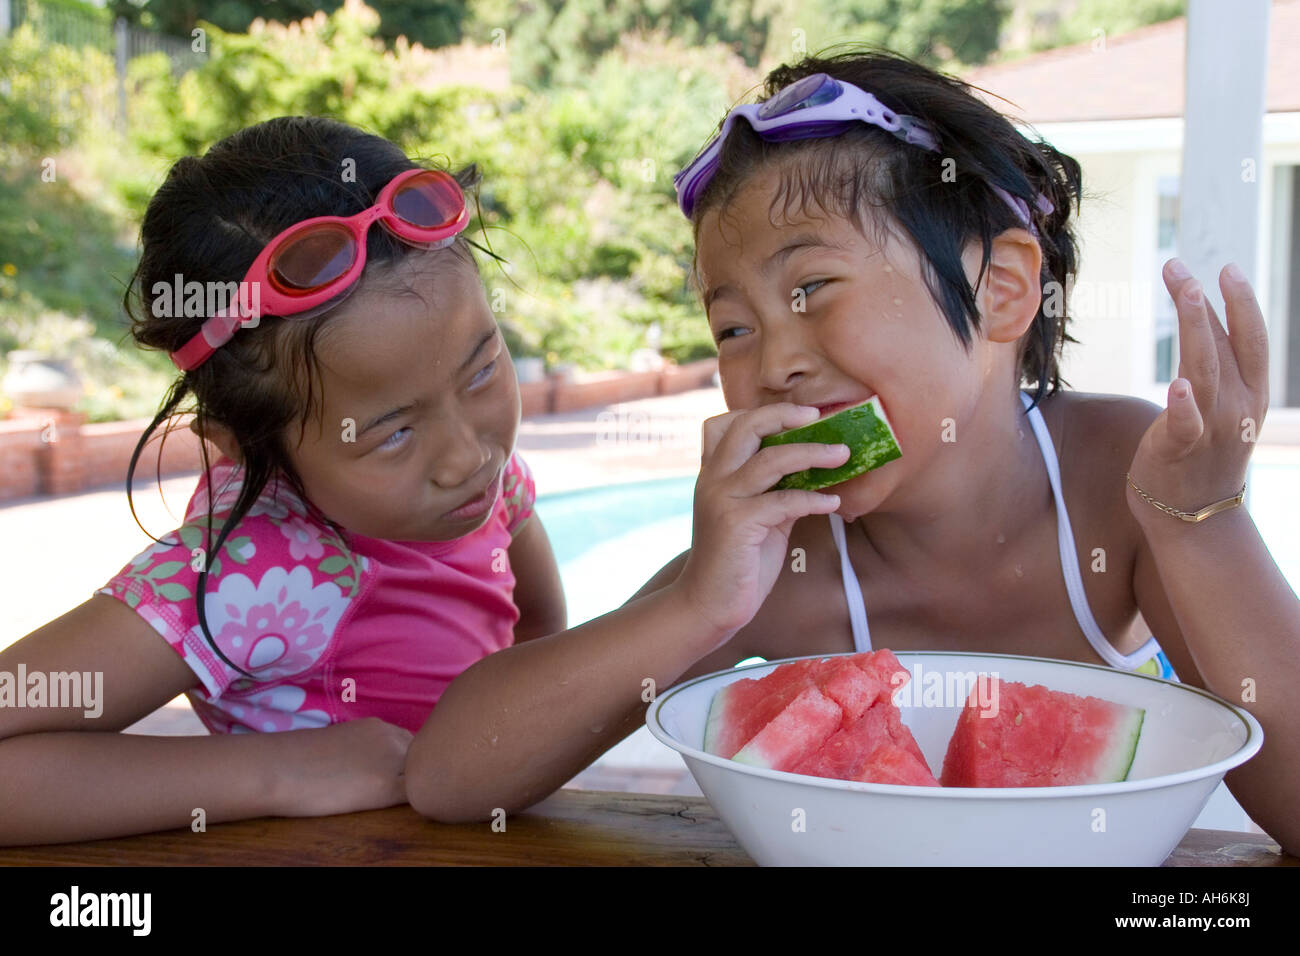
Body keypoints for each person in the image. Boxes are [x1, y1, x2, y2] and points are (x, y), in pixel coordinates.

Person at [405, 50, 1299, 857]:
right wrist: (697, 604)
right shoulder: (790, 560)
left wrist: (1202, 519)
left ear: (1002, 288)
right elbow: (453, 781)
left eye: (813, 287)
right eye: (731, 326)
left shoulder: (1117, 478)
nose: (773, 360)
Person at [0, 115, 843, 846]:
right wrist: (270, 773)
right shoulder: (253, 570)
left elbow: (540, 645)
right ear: (244, 448)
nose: (464, 453)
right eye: (392, 431)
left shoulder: (487, 480)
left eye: (481, 372)